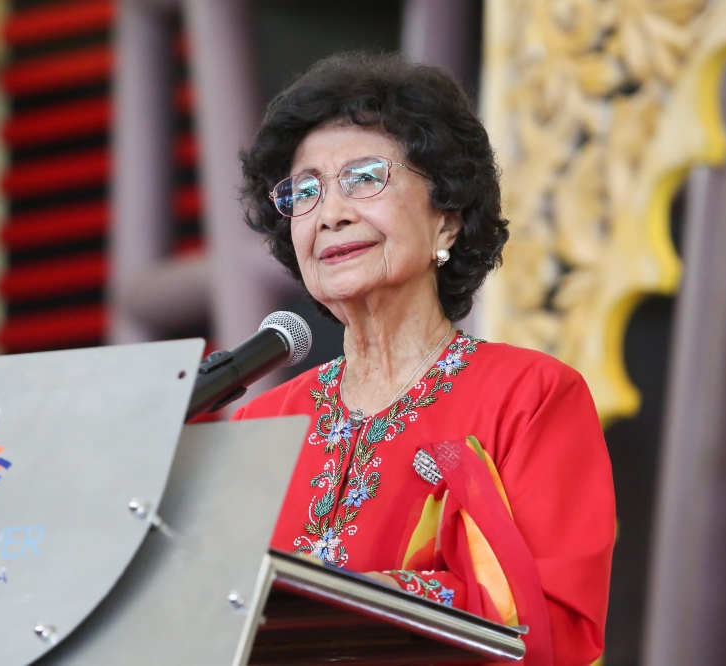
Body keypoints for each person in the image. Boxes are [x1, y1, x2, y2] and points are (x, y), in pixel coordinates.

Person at [232, 52, 615, 666]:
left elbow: (555, 628)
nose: (330, 213)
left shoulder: (531, 396)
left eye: (364, 178)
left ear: (447, 220)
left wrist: (349, 604)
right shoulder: (261, 424)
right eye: (305, 192)